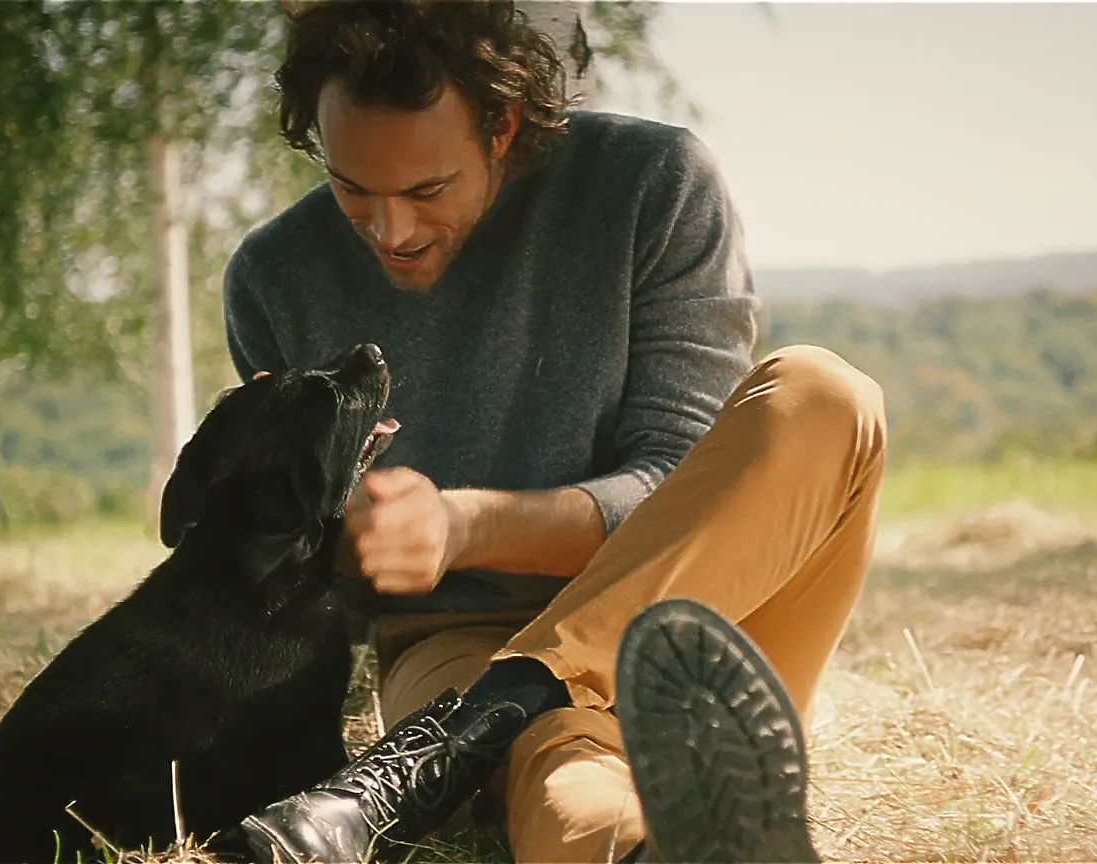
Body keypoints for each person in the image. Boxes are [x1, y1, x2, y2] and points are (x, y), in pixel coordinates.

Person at [213, 2, 888, 861]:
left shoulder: (654, 185)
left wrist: (465, 526)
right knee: (563, 768)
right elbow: (303, 574)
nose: (392, 231)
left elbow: (678, 487)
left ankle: (484, 724)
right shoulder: (274, 277)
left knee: (825, 395)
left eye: (427, 190)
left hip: (698, 625)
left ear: (504, 127)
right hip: (456, 644)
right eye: (353, 187)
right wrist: (342, 542)